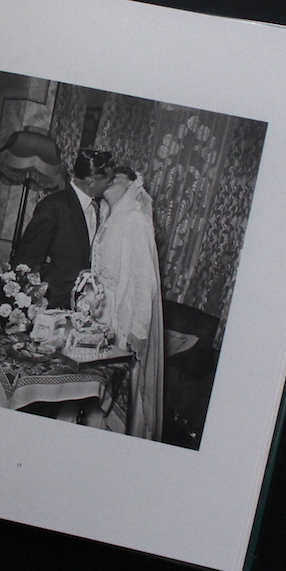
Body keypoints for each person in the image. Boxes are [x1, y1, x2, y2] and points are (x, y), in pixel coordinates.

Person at [91, 167, 164, 441]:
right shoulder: (108, 218)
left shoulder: (136, 219)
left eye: (117, 177)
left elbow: (145, 282)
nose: (109, 179)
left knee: (113, 393)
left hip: (121, 321)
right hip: (99, 317)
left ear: (133, 185)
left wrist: (139, 330)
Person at [13, 149, 115, 309]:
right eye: (108, 182)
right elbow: (28, 260)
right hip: (51, 303)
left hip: (78, 304)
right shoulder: (53, 206)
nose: (110, 186)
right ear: (91, 182)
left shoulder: (96, 208)